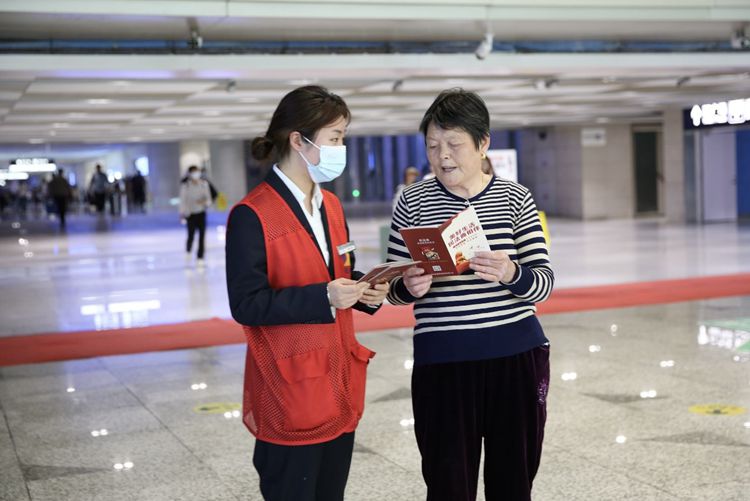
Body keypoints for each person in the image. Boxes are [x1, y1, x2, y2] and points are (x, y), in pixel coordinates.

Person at [386, 89, 554, 501]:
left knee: (513, 481)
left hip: (515, 357)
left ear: (483, 143)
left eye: (454, 144)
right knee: (448, 484)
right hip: (443, 363)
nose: (442, 156)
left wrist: (511, 272)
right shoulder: (412, 201)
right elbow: (390, 287)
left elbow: (544, 281)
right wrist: (407, 286)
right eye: (432, 146)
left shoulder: (516, 198)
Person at [225, 85, 389, 501]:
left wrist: (365, 290)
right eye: (335, 138)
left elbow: (337, 273)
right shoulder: (252, 214)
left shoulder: (330, 205)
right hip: (289, 389)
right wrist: (324, 298)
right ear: (299, 140)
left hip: (337, 381)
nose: (341, 148)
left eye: (342, 137)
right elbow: (246, 304)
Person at [179, 165, 212, 267]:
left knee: (202, 236)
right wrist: (182, 214)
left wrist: (203, 202)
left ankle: (200, 257)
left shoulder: (204, 184)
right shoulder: (186, 186)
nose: (196, 174)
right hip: (190, 214)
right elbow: (183, 201)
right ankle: (188, 251)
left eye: (197, 172)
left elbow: (209, 200)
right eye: (194, 172)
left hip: (201, 213)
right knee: (191, 235)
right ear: (189, 174)